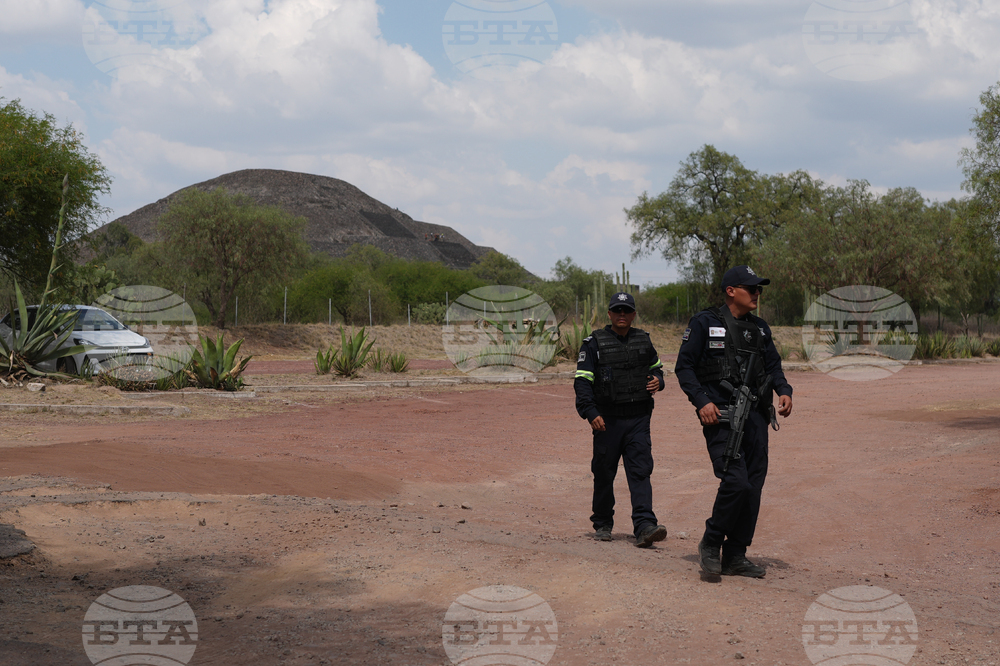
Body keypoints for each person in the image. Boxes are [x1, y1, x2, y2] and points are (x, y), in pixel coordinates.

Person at [675, 265, 793, 577]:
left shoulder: (760, 328)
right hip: (723, 418)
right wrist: (702, 401)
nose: (757, 294)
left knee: (753, 487)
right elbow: (684, 367)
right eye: (751, 288)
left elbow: (773, 365)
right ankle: (711, 543)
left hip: (757, 419)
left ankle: (736, 554)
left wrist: (784, 391)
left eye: (759, 289)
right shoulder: (705, 322)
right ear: (731, 291)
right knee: (736, 482)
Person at [575, 292, 668, 548]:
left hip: (638, 419)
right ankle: (603, 523)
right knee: (604, 473)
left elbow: (656, 368)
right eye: (617, 310)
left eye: (627, 311)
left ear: (634, 314)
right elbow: (582, 382)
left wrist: (659, 380)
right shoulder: (593, 343)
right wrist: (590, 412)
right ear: (609, 314)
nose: (622, 315)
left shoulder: (643, 340)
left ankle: (645, 526)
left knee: (640, 472)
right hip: (607, 421)